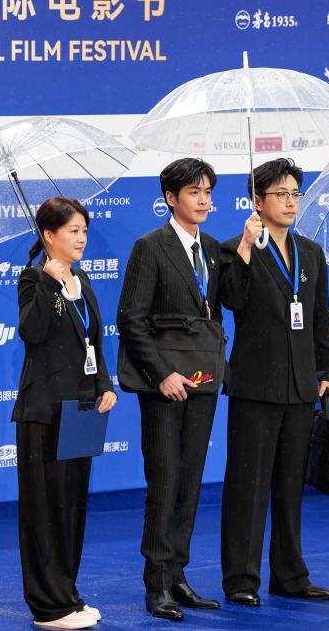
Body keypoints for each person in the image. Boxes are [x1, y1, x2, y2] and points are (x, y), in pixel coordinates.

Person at [219, 158, 329, 607]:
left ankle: (289, 574)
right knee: (247, 486)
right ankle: (241, 578)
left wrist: (324, 372)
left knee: (290, 486)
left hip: (301, 387)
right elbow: (232, 299)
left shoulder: (310, 252)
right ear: (257, 201)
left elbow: (319, 317)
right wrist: (247, 248)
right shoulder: (235, 248)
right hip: (255, 386)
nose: (290, 202)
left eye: (294, 194)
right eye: (280, 194)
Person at [117, 158, 229, 621]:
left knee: (189, 481)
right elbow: (131, 319)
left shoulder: (215, 250)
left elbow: (229, 304)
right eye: (194, 192)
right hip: (164, 387)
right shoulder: (151, 247)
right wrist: (162, 374)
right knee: (164, 481)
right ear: (170, 197)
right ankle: (157, 581)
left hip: (202, 381)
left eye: (208, 192)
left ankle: (179, 574)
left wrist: (247, 246)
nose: (203, 200)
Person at [13, 197, 118, 629]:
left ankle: (68, 595)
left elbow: (93, 342)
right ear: (49, 235)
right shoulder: (33, 278)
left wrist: (104, 385)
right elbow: (32, 333)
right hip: (44, 412)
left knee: (71, 509)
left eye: (84, 231)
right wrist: (50, 285)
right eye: (73, 231)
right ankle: (48, 606)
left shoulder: (82, 278)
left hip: (80, 410)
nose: (81, 239)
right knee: (44, 510)